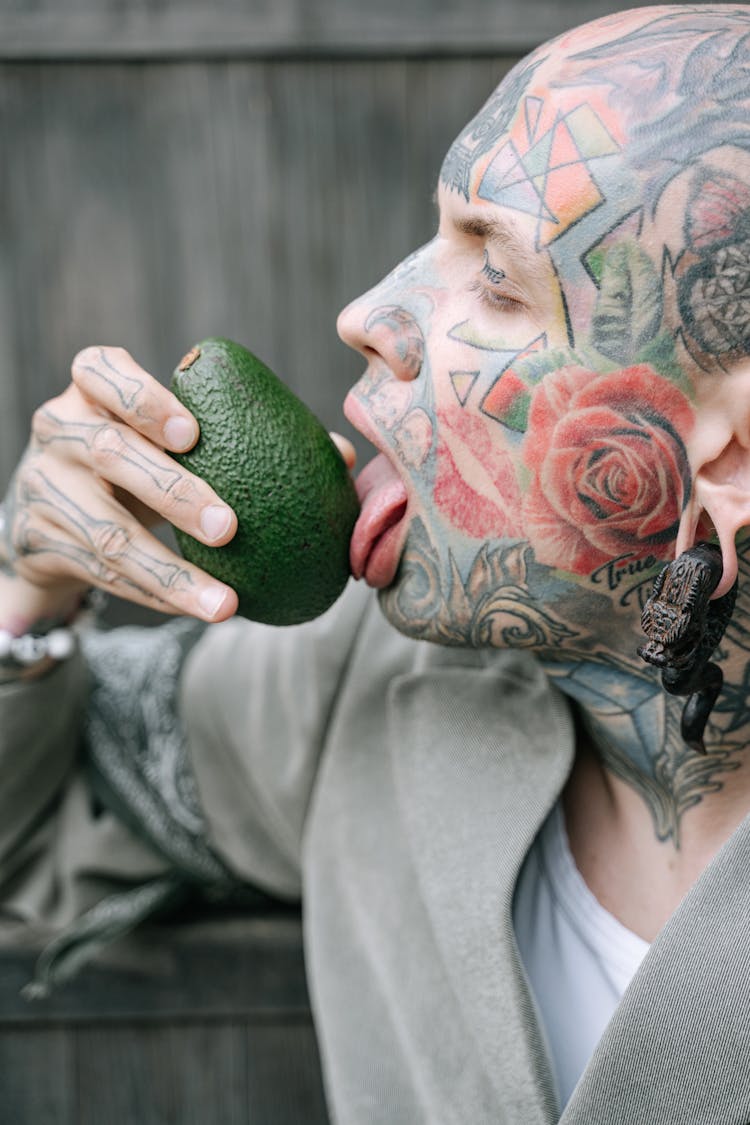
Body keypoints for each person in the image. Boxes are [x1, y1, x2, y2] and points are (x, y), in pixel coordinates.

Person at [2, 4, 750, 1120]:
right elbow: (37, 828)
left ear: (726, 450)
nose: (366, 314)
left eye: (497, 279)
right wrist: (32, 598)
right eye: (438, 236)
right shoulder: (365, 679)